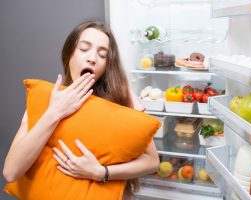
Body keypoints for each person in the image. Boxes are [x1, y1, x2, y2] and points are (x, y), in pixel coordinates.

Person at [3, 20, 160, 199]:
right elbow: (11, 172)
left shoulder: (123, 98)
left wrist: (101, 172)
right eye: (84, 49)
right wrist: (55, 112)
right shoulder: (45, 100)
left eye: (102, 55)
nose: (92, 58)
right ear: (69, 54)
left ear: (107, 65)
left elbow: (153, 162)